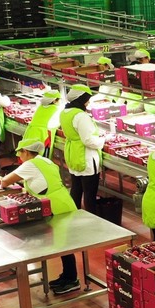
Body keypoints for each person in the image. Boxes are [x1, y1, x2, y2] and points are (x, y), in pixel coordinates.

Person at [0, 138, 79, 295]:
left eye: (20, 152)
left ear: (26, 152)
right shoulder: (45, 161)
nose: (19, 156)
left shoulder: (30, 164)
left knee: (64, 244)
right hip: (63, 202)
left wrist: (0, 181)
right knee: (64, 243)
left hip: (55, 206)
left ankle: (72, 280)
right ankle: (67, 276)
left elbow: (5, 182)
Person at [59, 84, 104, 213]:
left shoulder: (65, 112)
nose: (88, 102)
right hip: (86, 156)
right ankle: (92, 217)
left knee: (76, 188)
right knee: (90, 193)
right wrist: (102, 141)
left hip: (73, 153)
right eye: (87, 99)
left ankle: (75, 214)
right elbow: (88, 140)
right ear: (81, 99)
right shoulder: (81, 116)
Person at [22, 90, 62, 159]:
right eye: (58, 100)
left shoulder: (40, 107)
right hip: (43, 135)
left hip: (31, 133)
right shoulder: (56, 109)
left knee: (30, 156)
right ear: (54, 100)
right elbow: (53, 124)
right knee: (41, 158)